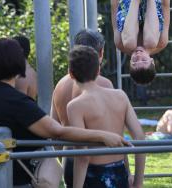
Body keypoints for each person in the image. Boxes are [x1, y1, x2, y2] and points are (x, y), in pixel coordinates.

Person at [0, 38, 129, 187]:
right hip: (15, 180)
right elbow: (56, 130)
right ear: (18, 64)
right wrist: (102, 135)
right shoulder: (16, 101)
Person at [50, 29, 125, 187]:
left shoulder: (60, 85)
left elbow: (54, 130)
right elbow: (115, 133)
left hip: (68, 159)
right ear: (101, 53)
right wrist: (128, 172)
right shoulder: (104, 84)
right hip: (98, 163)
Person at [67, 45, 145, 188]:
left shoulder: (75, 106)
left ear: (71, 74)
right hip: (120, 173)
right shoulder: (120, 96)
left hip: (94, 177)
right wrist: (138, 182)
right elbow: (140, 137)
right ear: (98, 70)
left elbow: (82, 156)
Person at [109, 0, 170, 85]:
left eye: (135, 61)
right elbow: (165, 7)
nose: (138, 56)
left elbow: (114, 8)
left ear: (129, 63)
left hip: (130, 2)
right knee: (150, 41)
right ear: (152, 61)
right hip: (151, 1)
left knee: (129, 42)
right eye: (144, 60)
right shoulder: (161, 42)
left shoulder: (121, 43)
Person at [13, 35, 37, 100]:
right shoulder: (32, 72)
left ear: (21, 50)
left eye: (12, 48)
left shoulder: (21, 76)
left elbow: (18, 106)